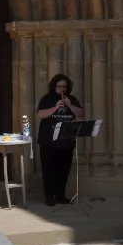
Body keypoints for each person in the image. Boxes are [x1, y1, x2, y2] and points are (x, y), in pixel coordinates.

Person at [35, 73, 85, 206]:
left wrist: (70, 106)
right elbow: (41, 114)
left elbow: (81, 113)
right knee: (49, 169)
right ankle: (49, 195)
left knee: (64, 170)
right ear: (54, 87)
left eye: (64, 86)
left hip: (66, 140)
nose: (62, 89)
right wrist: (56, 107)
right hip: (49, 141)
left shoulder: (71, 99)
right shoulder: (47, 99)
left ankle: (60, 195)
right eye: (59, 86)